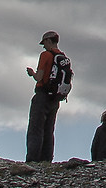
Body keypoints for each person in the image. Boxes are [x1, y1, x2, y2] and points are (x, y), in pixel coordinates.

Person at [24, 30, 71, 164]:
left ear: (49, 41)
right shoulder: (63, 57)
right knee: (49, 129)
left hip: (42, 95)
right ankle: (47, 159)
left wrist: (32, 73)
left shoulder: (46, 55)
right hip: (55, 98)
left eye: (44, 42)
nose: (43, 46)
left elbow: (39, 77)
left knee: (35, 128)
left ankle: (33, 160)